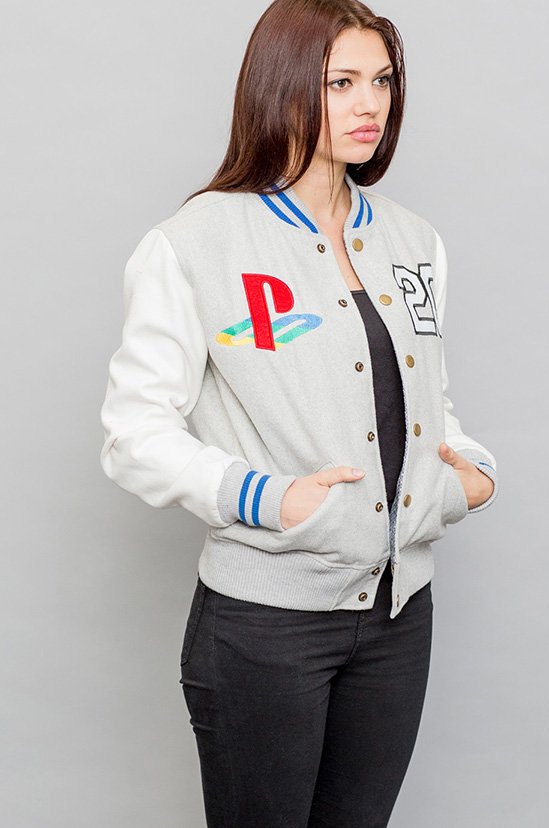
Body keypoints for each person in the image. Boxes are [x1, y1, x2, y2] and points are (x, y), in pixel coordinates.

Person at [100, 1, 498, 825]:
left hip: (399, 617)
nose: (370, 105)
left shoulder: (416, 242)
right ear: (280, 86)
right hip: (266, 627)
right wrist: (270, 499)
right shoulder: (195, 243)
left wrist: (470, 477)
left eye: (381, 81)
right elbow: (134, 433)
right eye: (340, 83)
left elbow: (426, 401)